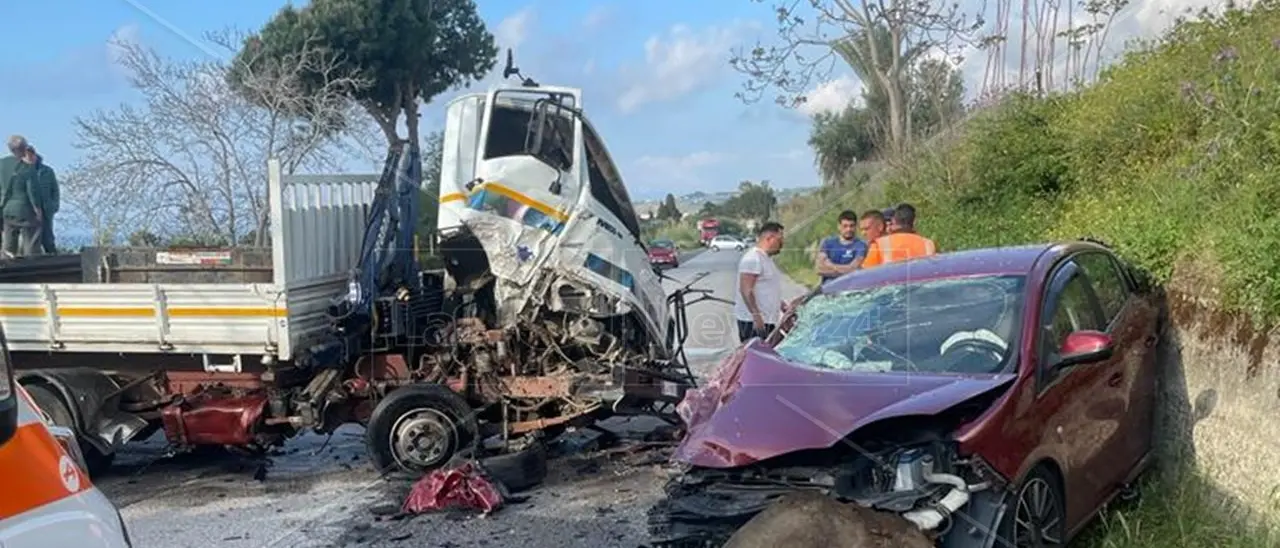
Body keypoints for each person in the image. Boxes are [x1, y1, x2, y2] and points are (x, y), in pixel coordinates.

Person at [734, 221, 785, 343]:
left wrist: (781, 304)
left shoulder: (765, 259)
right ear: (770, 238)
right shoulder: (753, 258)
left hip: (767, 320)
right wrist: (756, 316)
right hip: (754, 322)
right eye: (780, 239)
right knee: (756, 357)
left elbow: (767, 288)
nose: (782, 243)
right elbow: (746, 290)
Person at [1, 136, 50, 258]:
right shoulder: (28, 166)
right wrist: (38, 210)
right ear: (24, 148)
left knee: (8, 247)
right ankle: (31, 269)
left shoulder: (2, 164)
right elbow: (32, 190)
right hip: (25, 210)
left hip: (6, 209)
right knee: (32, 243)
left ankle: (7, 270)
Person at [861, 203, 936, 268]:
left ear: (894, 221)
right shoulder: (928, 244)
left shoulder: (879, 245)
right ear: (914, 223)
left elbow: (866, 276)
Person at [814, 210, 867, 284]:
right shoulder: (827, 243)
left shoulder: (861, 245)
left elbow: (854, 269)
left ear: (856, 226)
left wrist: (830, 265)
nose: (848, 229)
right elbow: (819, 269)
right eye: (845, 226)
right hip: (828, 286)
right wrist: (847, 269)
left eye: (851, 226)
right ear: (839, 226)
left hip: (850, 286)